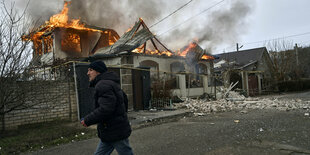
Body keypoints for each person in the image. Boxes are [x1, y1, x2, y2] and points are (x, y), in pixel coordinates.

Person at [80, 60, 133, 155]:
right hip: (110, 130)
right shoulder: (110, 82)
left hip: (115, 130)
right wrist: (121, 116)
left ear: (98, 71)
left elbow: (105, 109)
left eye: (90, 70)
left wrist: (87, 120)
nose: (88, 73)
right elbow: (124, 99)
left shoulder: (103, 85)